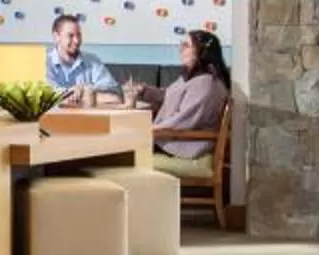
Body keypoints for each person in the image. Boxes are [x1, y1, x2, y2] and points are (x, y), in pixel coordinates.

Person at [127, 28, 232, 165]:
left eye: (186, 46)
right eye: (181, 45)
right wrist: (143, 90)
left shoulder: (205, 83)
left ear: (202, 52)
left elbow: (182, 121)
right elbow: (169, 95)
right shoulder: (193, 76)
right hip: (170, 137)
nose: (180, 49)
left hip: (181, 145)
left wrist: (147, 129)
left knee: (114, 147)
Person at [43, 13, 119, 105]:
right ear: (56, 37)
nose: (77, 40)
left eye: (79, 35)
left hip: (90, 119)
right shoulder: (44, 62)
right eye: (70, 36)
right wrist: (89, 96)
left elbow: (114, 96)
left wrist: (83, 90)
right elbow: (47, 97)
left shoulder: (92, 60)